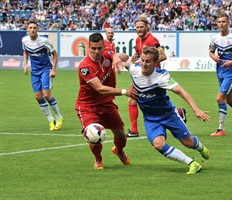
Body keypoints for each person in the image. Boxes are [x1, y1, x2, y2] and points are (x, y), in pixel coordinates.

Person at [125, 46, 211, 174]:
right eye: (142, 60)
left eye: (148, 61)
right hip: (150, 119)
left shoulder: (161, 77)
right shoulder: (134, 70)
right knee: (158, 145)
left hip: (169, 115)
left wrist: (196, 110)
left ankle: (199, 146)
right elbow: (127, 63)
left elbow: (181, 91)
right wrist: (120, 58)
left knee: (188, 142)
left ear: (155, 63)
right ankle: (192, 163)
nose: (144, 64)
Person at [75, 32, 132, 170]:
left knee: (121, 135)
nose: (96, 51)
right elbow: (100, 89)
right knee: (94, 134)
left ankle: (119, 150)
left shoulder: (107, 55)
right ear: (89, 47)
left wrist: (116, 56)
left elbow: (126, 57)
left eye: (99, 48)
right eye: (93, 48)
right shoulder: (84, 66)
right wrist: (125, 92)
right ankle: (98, 159)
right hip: (87, 106)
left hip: (106, 104)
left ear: (103, 46)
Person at [127, 14, 187, 138]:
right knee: (137, 99)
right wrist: (135, 58)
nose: (139, 29)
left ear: (147, 27)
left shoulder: (152, 41)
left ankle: (134, 131)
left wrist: (144, 62)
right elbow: (141, 56)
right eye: (137, 27)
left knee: (135, 98)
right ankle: (179, 113)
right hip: (143, 75)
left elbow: (163, 56)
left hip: (154, 76)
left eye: (141, 27)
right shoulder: (138, 40)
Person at [22, 19, 63, 131]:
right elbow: (25, 51)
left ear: (38, 29)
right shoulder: (24, 40)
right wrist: (25, 64)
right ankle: (51, 120)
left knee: (46, 94)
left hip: (46, 69)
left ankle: (59, 117)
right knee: (37, 96)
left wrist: (53, 70)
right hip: (34, 72)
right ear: (27, 29)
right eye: (30, 28)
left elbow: (55, 55)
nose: (32, 30)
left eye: (34, 28)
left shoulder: (44, 41)